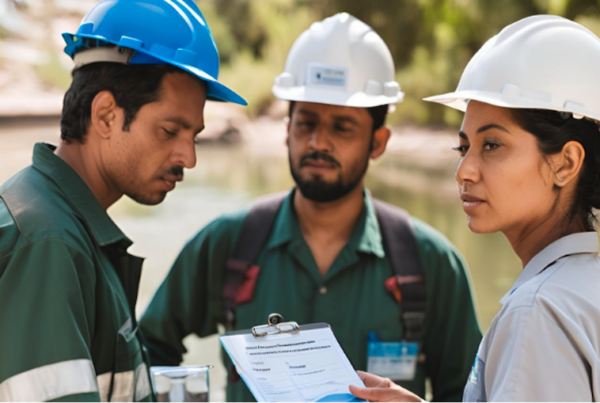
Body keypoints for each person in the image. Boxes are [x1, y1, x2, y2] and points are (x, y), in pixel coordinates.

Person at [140, 13, 481, 403]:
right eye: (306, 123)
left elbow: (469, 395)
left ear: (378, 142)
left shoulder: (430, 263)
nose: (318, 142)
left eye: (342, 127)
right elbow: (150, 346)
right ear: (287, 130)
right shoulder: (228, 243)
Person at [0, 0, 246, 401]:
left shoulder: (68, 230)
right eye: (170, 131)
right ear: (106, 116)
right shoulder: (47, 244)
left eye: (194, 136)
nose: (190, 158)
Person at [350, 14, 600, 402]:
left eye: (492, 145)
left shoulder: (538, 312)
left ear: (565, 163)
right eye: (463, 147)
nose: (464, 170)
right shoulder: (583, 288)